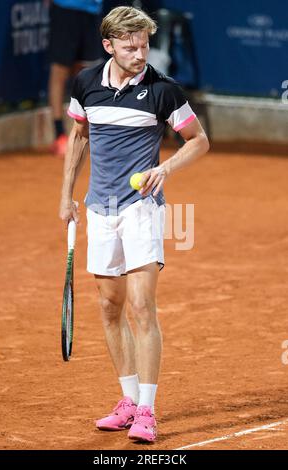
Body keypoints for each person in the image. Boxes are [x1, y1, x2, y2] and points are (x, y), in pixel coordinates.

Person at [59, 6, 209, 443]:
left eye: (144, 45)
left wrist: (167, 169)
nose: (140, 54)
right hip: (99, 209)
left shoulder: (163, 90)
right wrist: (65, 195)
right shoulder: (86, 83)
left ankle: (147, 409)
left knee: (142, 308)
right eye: (130, 47)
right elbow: (81, 135)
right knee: (109, 306)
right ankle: (126, 400)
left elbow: (199, 140)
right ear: (109, 45)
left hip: (142, 208)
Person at [49, 0, 103, 156]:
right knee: (60, 70)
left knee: (86, 72)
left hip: (93, 10)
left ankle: (84, 133)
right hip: (66, 7)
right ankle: (59, 134)